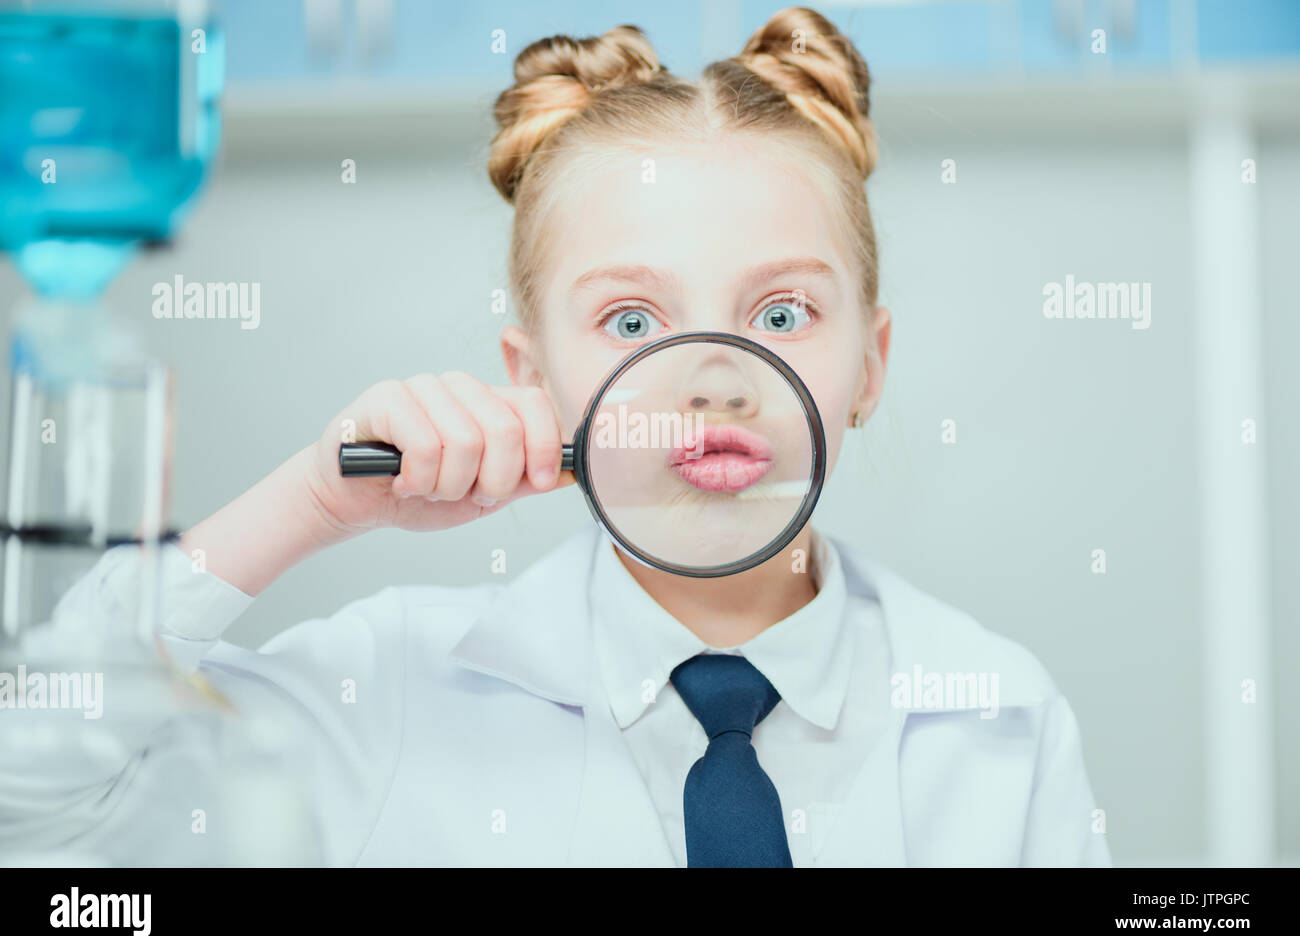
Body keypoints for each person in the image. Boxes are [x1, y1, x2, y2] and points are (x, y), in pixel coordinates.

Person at [29, 6, 1110, 867]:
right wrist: (305, 505)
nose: (715, 379)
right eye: (633, 322)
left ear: (868, 366)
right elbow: (32, 797)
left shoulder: (998, 717)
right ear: (533, 380)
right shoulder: (384, 692)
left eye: (780, 315)